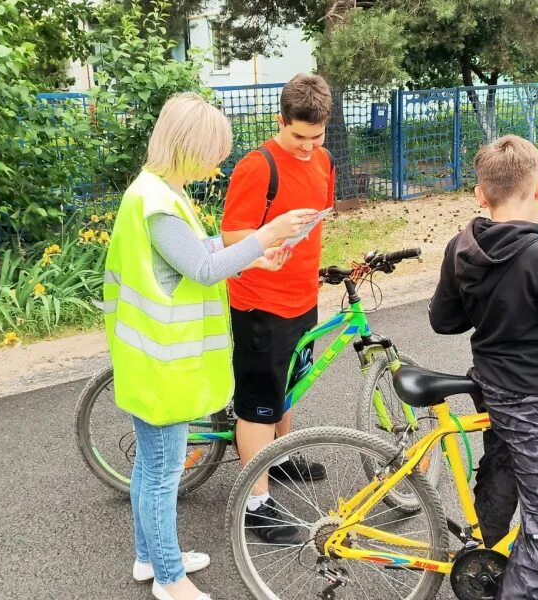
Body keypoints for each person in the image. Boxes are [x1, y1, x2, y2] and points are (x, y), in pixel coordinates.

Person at [103, 92, 316, 600]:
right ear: (189, 146)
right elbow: (199, 268)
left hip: (150, 358)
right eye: (214, 150)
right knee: (161, 473)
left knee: (151, 468)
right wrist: (262, 239)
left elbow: (197, 253)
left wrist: (249, 254)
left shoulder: (158, 192)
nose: (219, 160)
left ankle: (149, 558)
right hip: (160, 364)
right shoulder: (157, 204)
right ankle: (170, 579)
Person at [428, 134, 538, 599]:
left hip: (490, 387)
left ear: (480, 195)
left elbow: (444, 320)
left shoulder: (461, 246)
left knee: (501, 477)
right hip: (536, 400)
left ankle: (483, 565)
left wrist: (490, 302)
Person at [221, 73, 335, 544]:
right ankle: (255, 503)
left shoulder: (323, 160)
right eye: (299, 136)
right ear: (279, 121)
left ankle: (280, 457)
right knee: (258, 404)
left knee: (288, 386)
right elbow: (231, 237)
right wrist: (266, 247)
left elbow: (317, 217)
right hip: (259, 304)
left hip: (302, 297)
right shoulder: (257, 166)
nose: (309, 146)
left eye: (317, 136)